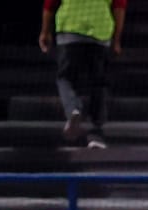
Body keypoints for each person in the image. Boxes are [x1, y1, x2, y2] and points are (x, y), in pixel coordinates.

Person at [38, 0, 125, 149]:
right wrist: (116, 39)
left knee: (65, 77)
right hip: (100, 31)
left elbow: (50, 4)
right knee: (98, 84)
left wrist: (45, 31)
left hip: (69, 29)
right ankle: (96, 134)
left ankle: (73, 109)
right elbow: (119, 7)